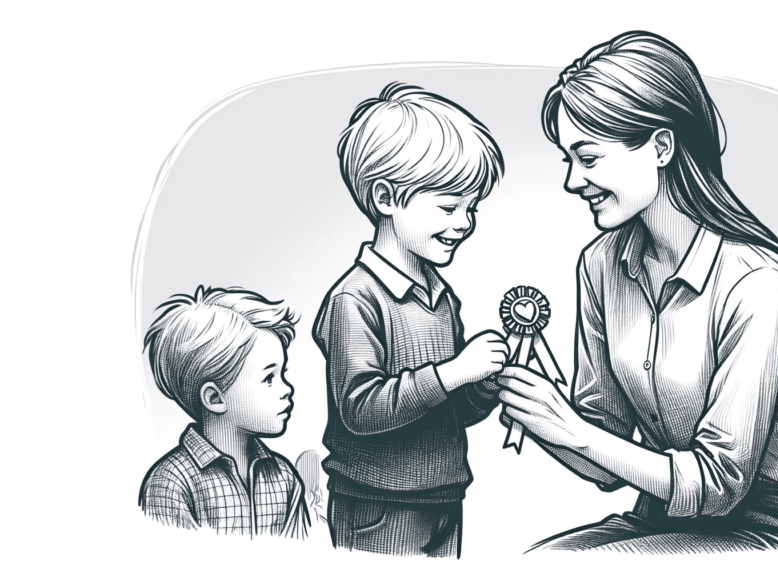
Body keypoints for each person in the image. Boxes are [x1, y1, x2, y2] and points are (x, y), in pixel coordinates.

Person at [495, 31, 778, 553]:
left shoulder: (757, 284)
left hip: (768, 527)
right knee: (538, 561)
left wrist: (570, 429)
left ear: (660, 147)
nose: (571, 181)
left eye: (587, 158)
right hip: (660, 518)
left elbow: (720, 484)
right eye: (567, 160)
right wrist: (533, 406)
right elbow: (602, 451)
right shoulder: (601, 265)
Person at [314, 82, 507, 557]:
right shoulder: (353, 300)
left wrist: (485, 385)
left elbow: (450, 411)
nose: (464, 224)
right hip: (375, 507)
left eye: (471, 208)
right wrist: (455, 371)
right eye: (448, 206)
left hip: (444, 497)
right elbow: (361, 409)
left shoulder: (442, 297)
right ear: (385, 198)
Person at [139, 286, 309, 538]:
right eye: (268, 378)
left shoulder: (284, 477)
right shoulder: (171, 483)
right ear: (215, 398)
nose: (287, 389)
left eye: (282, 373)